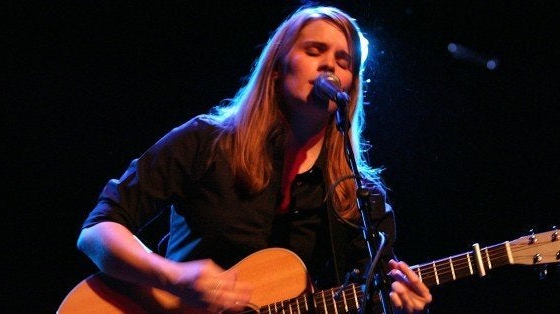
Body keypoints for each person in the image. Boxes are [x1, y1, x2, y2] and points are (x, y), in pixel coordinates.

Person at [76, 5, 432, 313]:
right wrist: (173, 277)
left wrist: (401, 307)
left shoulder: (357, 197)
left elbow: (373, 297)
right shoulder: (208, 141)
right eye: (314, 50)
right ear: (277, 68)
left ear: (350, 87)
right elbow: (97, 231)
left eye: (344, 61)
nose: (329, 65)